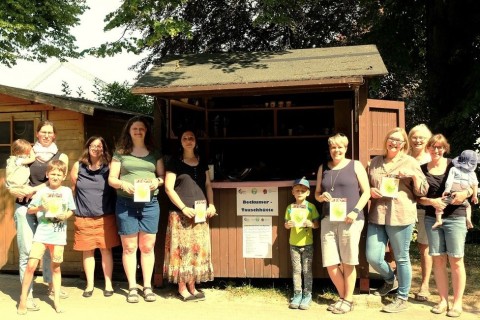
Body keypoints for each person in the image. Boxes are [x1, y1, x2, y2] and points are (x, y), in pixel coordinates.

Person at [8, 120, 69, 312]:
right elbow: (11, 177)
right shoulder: (26, 153)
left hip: (47, 208)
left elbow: (56, 180)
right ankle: (28, 296)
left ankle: (51, 286)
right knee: (27, 252)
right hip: (24, 208)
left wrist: (32, 190)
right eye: (43, 131)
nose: (46, 135)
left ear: (55, 135)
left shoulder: (61, 156)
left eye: (50, 132)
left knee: (51, 250)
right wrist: (14, 190)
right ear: (37, 133)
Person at [366, 127, 428, 313]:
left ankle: (402, 297)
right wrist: (369, 191)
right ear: (386, 140)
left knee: (401, 258)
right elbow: (366, 185)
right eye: (391, 139)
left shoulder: (409, 162)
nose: (394, 143)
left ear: (403, 145)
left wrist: (415, 176)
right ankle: (389, 279)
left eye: (399, 141)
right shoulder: (375, 162)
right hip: (377, 215)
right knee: (373, 256)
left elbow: (422, 190)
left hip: (401, 215)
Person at [108, 116, 164, 303]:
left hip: (150, 204)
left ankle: (147, 286)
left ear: (146, 131)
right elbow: (111, 179)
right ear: (129, 131)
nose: (138, 131)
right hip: (126, 204)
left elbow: (162, 176)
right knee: (130, 247)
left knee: (147, 247)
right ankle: (132, 287)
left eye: (141, 128)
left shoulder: (154, 152)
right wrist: (123, 184)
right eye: (135, 128)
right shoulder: (121, 152)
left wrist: (156, 181)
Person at [315, 133, 371, 314]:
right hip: (328, 219)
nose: (336, 150)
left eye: (340, 147)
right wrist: (321, 197)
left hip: (350, 220)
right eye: (333, 147)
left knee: (348, 261)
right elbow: (316, 194)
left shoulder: (355, 165)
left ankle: (347, 300)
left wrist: (355, 211)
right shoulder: (323, 168)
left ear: (345, 148)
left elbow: (367, 192)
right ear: (329, 149)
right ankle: (343, 297)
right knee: (331, 263)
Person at [419, 134, 472, 317]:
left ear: (445, 148)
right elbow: (418, 198)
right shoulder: (421, 169)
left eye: (440, 147)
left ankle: (457, 303)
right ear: (428, 148)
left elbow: (472, 184)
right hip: (431, 219)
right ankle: (443, 300)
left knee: (456, 260)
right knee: (438, 260)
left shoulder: (454, 165)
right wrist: (432, 202)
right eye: (433, 147)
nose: (436, 150)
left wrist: (465, 193)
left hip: (456, 217)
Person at [17, 160, 76, 314]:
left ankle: (56, 301)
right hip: (42, 234)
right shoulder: (41, 192)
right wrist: (41, 207)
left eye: (59, 174)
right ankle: (23, 299)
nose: (55, 177)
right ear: (47, 174)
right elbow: (30, 210)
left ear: (64, 176)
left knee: (56, 268)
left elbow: (71, 209)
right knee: (31, 266)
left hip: (58, 235)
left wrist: (65, 216)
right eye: (53, 174)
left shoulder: (67, 191)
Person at [164, 129, 216, 302]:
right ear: (180, 142)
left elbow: (208, 184)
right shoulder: (174, 162)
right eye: (185, 138)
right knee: (182, 252)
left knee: (196, 251)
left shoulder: (202, 161)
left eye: (191, 138)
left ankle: (192, 286)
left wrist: (212, 204)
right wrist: (184, 208)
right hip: (180, 214)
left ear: (196, 141)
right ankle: (181, 287)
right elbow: (168, 188)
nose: (188, 140)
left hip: (200, 213)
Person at [71, 136, 120, 298]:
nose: (96, 148)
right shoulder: (78, 166)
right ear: (88, 147)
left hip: (105, 216)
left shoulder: (109, 167)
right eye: (93, 145)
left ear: (104, 149)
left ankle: (108, 284)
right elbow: (73, 190)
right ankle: (89, 285)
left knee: (106, 250)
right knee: (87, 251)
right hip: (83, 216)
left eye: (99, 146)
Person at [284, 177, 320, 310]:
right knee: (297, 271)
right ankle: (297, 294)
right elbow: (286, 224)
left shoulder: (311, 207)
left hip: (307, 243)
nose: (300, 193)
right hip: (293, 243)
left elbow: (317, 225)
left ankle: (307, 294)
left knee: (307, 270)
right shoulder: (289, 208)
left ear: (308, 193)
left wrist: (312, 224)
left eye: (303, 190)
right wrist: (288, 225)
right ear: (292, 192)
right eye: (297, 190)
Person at [407, 124, 433, 302]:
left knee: (424, 246)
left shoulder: (432, 158)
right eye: (414, 136)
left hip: (425, 208)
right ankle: (401, 281)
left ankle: (424, 285)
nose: (417, 140)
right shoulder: (404, 157)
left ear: (427, 140)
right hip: (406, 206)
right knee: (398, 246)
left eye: (421, 137)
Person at [432, 149, 478, 229]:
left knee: (439, 205)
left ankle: (438, 220)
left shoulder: (454, 169)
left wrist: (446, 190)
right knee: (468, 206)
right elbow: (475, 185)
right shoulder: (472, 173)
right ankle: (468, 219)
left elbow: (449, 181)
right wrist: (475, 196)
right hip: (463, 197)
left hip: (452, 195)